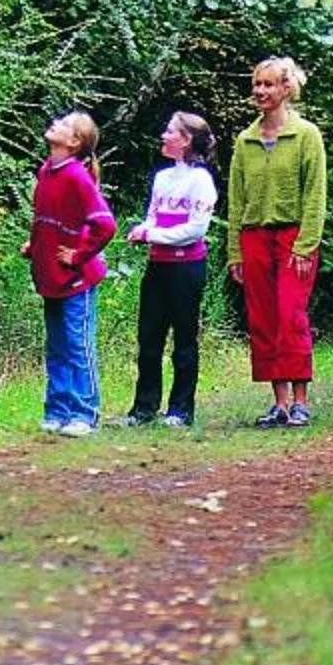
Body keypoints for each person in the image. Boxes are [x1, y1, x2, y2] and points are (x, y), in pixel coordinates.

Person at [225, 56, 327, 427]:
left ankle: (301, 402)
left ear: (286, 88)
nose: (260, 91)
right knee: (263, 319)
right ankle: (279, 403)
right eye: (257, 84)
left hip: (293, 236)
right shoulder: (245, 140)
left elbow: (315, 194)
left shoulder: (306, 135)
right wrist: (235, 252)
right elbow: (236, 200)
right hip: (253, 237)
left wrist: (306, 244)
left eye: (268, 84)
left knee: (290, 316)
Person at [123, 110, 218, 429]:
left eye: (170, 131)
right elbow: (153, 215)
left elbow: (196, 229)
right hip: (158, 266)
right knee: (149, 336)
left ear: (186, 140)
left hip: (186, 269)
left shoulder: (201, 180)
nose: (163, 136)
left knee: (184, 339)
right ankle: (143, 407)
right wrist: (142, 230)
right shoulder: (162, 177)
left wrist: (153, 235)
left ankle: (181, 409)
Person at [23, 110, 115, 436]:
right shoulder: (46, 170)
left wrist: (79, 254)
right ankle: (57, 411)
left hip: (77, 279)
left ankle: (85, 413)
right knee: (57, 347)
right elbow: (47, 217)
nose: (54, 124)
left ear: (75, 142)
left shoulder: (77, 176)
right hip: (50, 276)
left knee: (78, 346)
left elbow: (105, 225)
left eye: (63, 124)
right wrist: (35, 245)